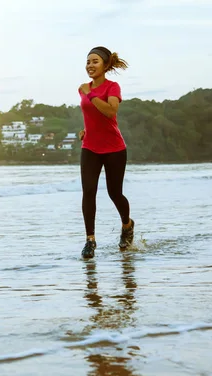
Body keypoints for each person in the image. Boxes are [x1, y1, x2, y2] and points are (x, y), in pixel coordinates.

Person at [77, 46, 134, 259]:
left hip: (114, 149)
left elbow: (111, 111)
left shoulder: (112, 87)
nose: (90, 65)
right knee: (88, 191)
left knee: (114, 193)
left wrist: (90, 95)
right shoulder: (83, 88)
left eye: (94, 61)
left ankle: (127, 225)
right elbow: (90, 115)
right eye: (88, 61)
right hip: (90, 147)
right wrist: (85, 130)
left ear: (105, 65)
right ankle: (90, 240)